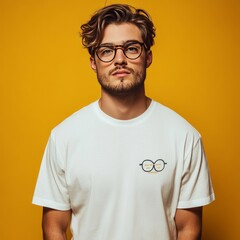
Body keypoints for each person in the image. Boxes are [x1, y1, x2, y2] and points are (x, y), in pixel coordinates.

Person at [32, 4, 215, 240]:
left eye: (131, 48)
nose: (119, 59)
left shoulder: (184, 136)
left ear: (147, 57)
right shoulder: (64, 137)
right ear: (93, 62)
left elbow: (188, 229)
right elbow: (53, 227)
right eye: (107, 50)